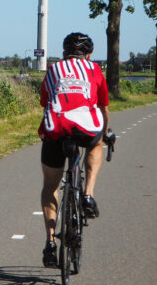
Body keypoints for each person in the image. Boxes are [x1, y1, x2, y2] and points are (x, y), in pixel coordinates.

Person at [39, 32, 114, 268]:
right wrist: (107, 132)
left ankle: (50, 243)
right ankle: (88, 195)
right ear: (89, 54)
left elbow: (45, 100)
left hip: (56, 128)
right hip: (86, 127)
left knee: (51, 186)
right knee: (97, 141)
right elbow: (102, 106)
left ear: (64, 53)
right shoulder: (94, 71)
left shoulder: (53, 70)